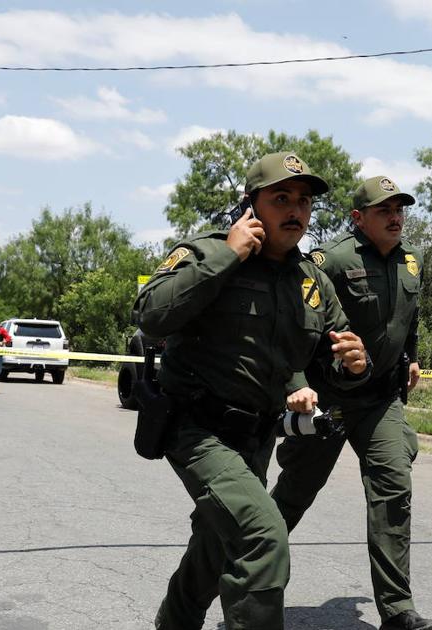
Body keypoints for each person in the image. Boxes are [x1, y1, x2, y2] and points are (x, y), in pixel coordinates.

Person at [137, 151, 371, 629]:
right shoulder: (209, 251)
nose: (295, 211)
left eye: (303, 201)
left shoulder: (313, 282)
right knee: (263, 537)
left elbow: (332, 360)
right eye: (280, 198)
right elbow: (151, 315)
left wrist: (354, 364)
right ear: (251, 204)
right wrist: (230, 253)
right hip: (197, 429)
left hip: (257, 438)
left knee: (216, 540)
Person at [271, 175, 432, 630]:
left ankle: (398, 610)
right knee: (294, 495)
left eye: (400, 209)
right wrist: (299, 384)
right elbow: (297, 322)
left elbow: (410, 316)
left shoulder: (412, 261)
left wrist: (412, 358)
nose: (396, 217)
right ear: (359, 218)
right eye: (384, 210)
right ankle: (251, 585)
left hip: (380, 399)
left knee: (393, 491)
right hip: (327, 399)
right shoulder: (332, 260)